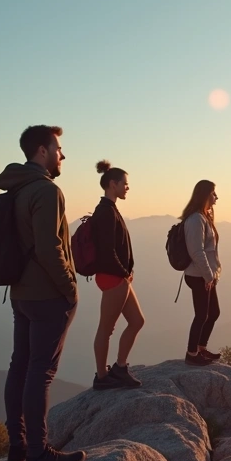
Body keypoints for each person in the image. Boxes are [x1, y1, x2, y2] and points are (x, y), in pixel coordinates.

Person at [0, 125, 86, 461]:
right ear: (42, 151)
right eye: (59, 149)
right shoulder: (47, 191)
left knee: (20, 365)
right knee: (41, 371)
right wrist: (70, 288)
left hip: (20, 291)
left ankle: (17, 445)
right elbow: (50, 248)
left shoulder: (16, 187)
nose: (63, 155)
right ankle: (38, 453)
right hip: (48, 293)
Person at [88, 160, 144, 390]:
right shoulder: (105, 212)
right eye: (125, 184)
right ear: (113, 184)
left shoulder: (109, 209)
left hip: (118, 277)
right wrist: (124, 273)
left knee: (137, 321)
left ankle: (119, 368)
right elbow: (107, 251)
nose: (127, 188)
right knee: (106, 328)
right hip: (113, 278)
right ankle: (102, 377)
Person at [180, 180, 223, 367]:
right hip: (198, 276)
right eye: (213, 193)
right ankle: (192, 353)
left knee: (213, 312)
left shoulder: (203, 217)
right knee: (202, 315)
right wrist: (208, 276)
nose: (216, 197)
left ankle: (200, 348)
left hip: (204, 274)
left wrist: (211, 274)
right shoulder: (196, 220)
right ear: (205, 195)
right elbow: (197, 252)